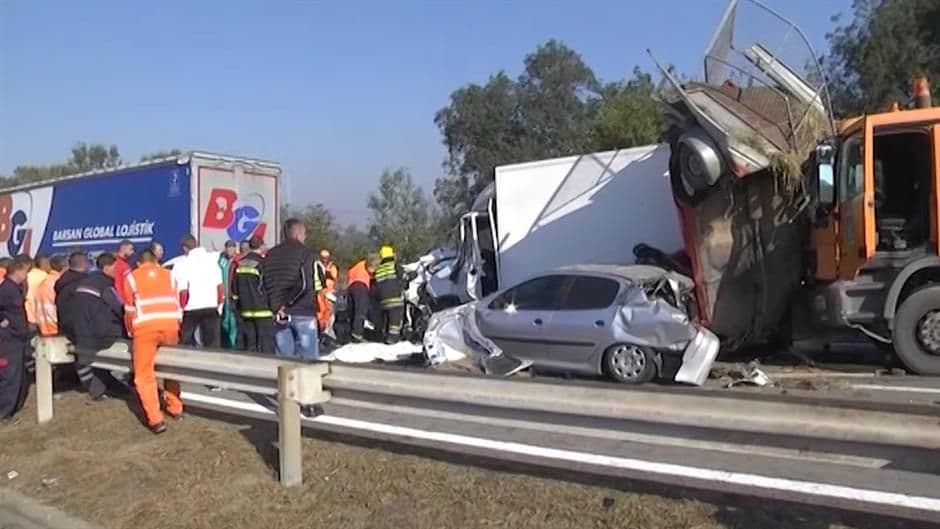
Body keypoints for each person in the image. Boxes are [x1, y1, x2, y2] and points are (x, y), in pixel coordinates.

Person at [124, 250, 183, 434]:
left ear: (139, 263)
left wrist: (130, 331)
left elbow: (129, 310)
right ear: (156, 261)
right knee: (171, 367)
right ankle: (176, 408)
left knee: (144, 375)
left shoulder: (132, 278)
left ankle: (156, 420)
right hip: (171, 324)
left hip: (145, 328)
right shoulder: (169, 275)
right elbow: (177, 299)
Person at [67, 253, 126, 401]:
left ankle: (98, 388)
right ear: (106, 268)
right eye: (114, 269)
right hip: (100, 332)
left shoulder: (84, 282)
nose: (115, 272)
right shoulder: (105, 284)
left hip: (80, 331)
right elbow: (119, 307)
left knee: (89, 360)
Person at [261, 219, 322, 359]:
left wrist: (276, 306)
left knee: (283, 360)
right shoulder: (306, 254)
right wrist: (287, 303)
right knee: (309, 360)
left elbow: (264, 283)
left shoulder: (270, 254)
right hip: (303, 311)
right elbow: (305, 284)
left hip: (278, 314)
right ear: (299, 234)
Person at [171, 235, 223, 348]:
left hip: (191, 308)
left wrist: (181, 311)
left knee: (185, 341)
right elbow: (219, 287)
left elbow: (182, 292)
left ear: (184, 248)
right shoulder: (212, 261)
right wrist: (218, 306)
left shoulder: (181, 264)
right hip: (211, 306)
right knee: (213, 343)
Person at [0, 257, 31, 423]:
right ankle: (4, 413)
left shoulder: (14, 288)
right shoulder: (6, 290)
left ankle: (13, 406)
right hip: (8, 340)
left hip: (17, 337)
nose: (26, 276)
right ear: (17, 271)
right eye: (25, 272)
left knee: (18, 374)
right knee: (9, 376)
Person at [233, 236, 274, 353]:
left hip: (246, 310)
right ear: (261, 247)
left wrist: (238, 305)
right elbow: (267, 285)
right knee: (266, 346)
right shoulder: (262, 263)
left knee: (250, 345)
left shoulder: (240, 264)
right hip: (263, 310)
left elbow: (235, 288)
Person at [55, 251, 89, 338]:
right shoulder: (85, 283)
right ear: (84, 263)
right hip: (82, 330)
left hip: (64, 327)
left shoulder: (63, 280)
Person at [374, 245, 404, 344]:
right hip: (394, 298)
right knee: (395, 320)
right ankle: (393, 338)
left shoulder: (379, 269)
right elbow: (403, 276)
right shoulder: (394, 265)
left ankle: (384, 336)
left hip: (383, 300)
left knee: (386, 318)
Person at [35, 254, 67, 337]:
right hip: (55, 328)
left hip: (43, 327)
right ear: (64, 267)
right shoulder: (58, 282)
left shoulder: (44, 281)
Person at [346, 254, 374, 343]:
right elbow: (371, 269)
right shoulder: (369, 263)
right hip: (361, 285)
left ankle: (351, 333)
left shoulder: (357, 265)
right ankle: (357, 334)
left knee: (353, 311)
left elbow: (349, 273)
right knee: (361, 310)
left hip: (351, 286)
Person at [218, 240, 239, 348]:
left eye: (232, 248)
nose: (230, 250)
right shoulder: (221, 262)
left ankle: (233, 344)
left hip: (233, 297)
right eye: (228, 248)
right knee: (225, 322)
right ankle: (226, 345)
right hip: (223, 298)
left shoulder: (237, 262)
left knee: (233, 322)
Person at [316, 249, 338, 336]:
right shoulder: (317, 265)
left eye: (326, 258)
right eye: (323, 258)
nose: (325, 259)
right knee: (321, 311)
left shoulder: (332, 267)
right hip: (320, 293)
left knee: (330, 312)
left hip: (330, 293)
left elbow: (334, 277)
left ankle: (328, 331)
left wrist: (328, 272)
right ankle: (321, 329)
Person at [25, 254, 49, 328]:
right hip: (41, 315)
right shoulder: (46, 277)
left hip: (28, 314)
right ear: (45, 264)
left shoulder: (27, 275)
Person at [113, 240, 135, 304]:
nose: (132, 252)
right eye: (130, 249)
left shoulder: (118, 263)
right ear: (123, 248)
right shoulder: (121, 265)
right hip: (123, 299)